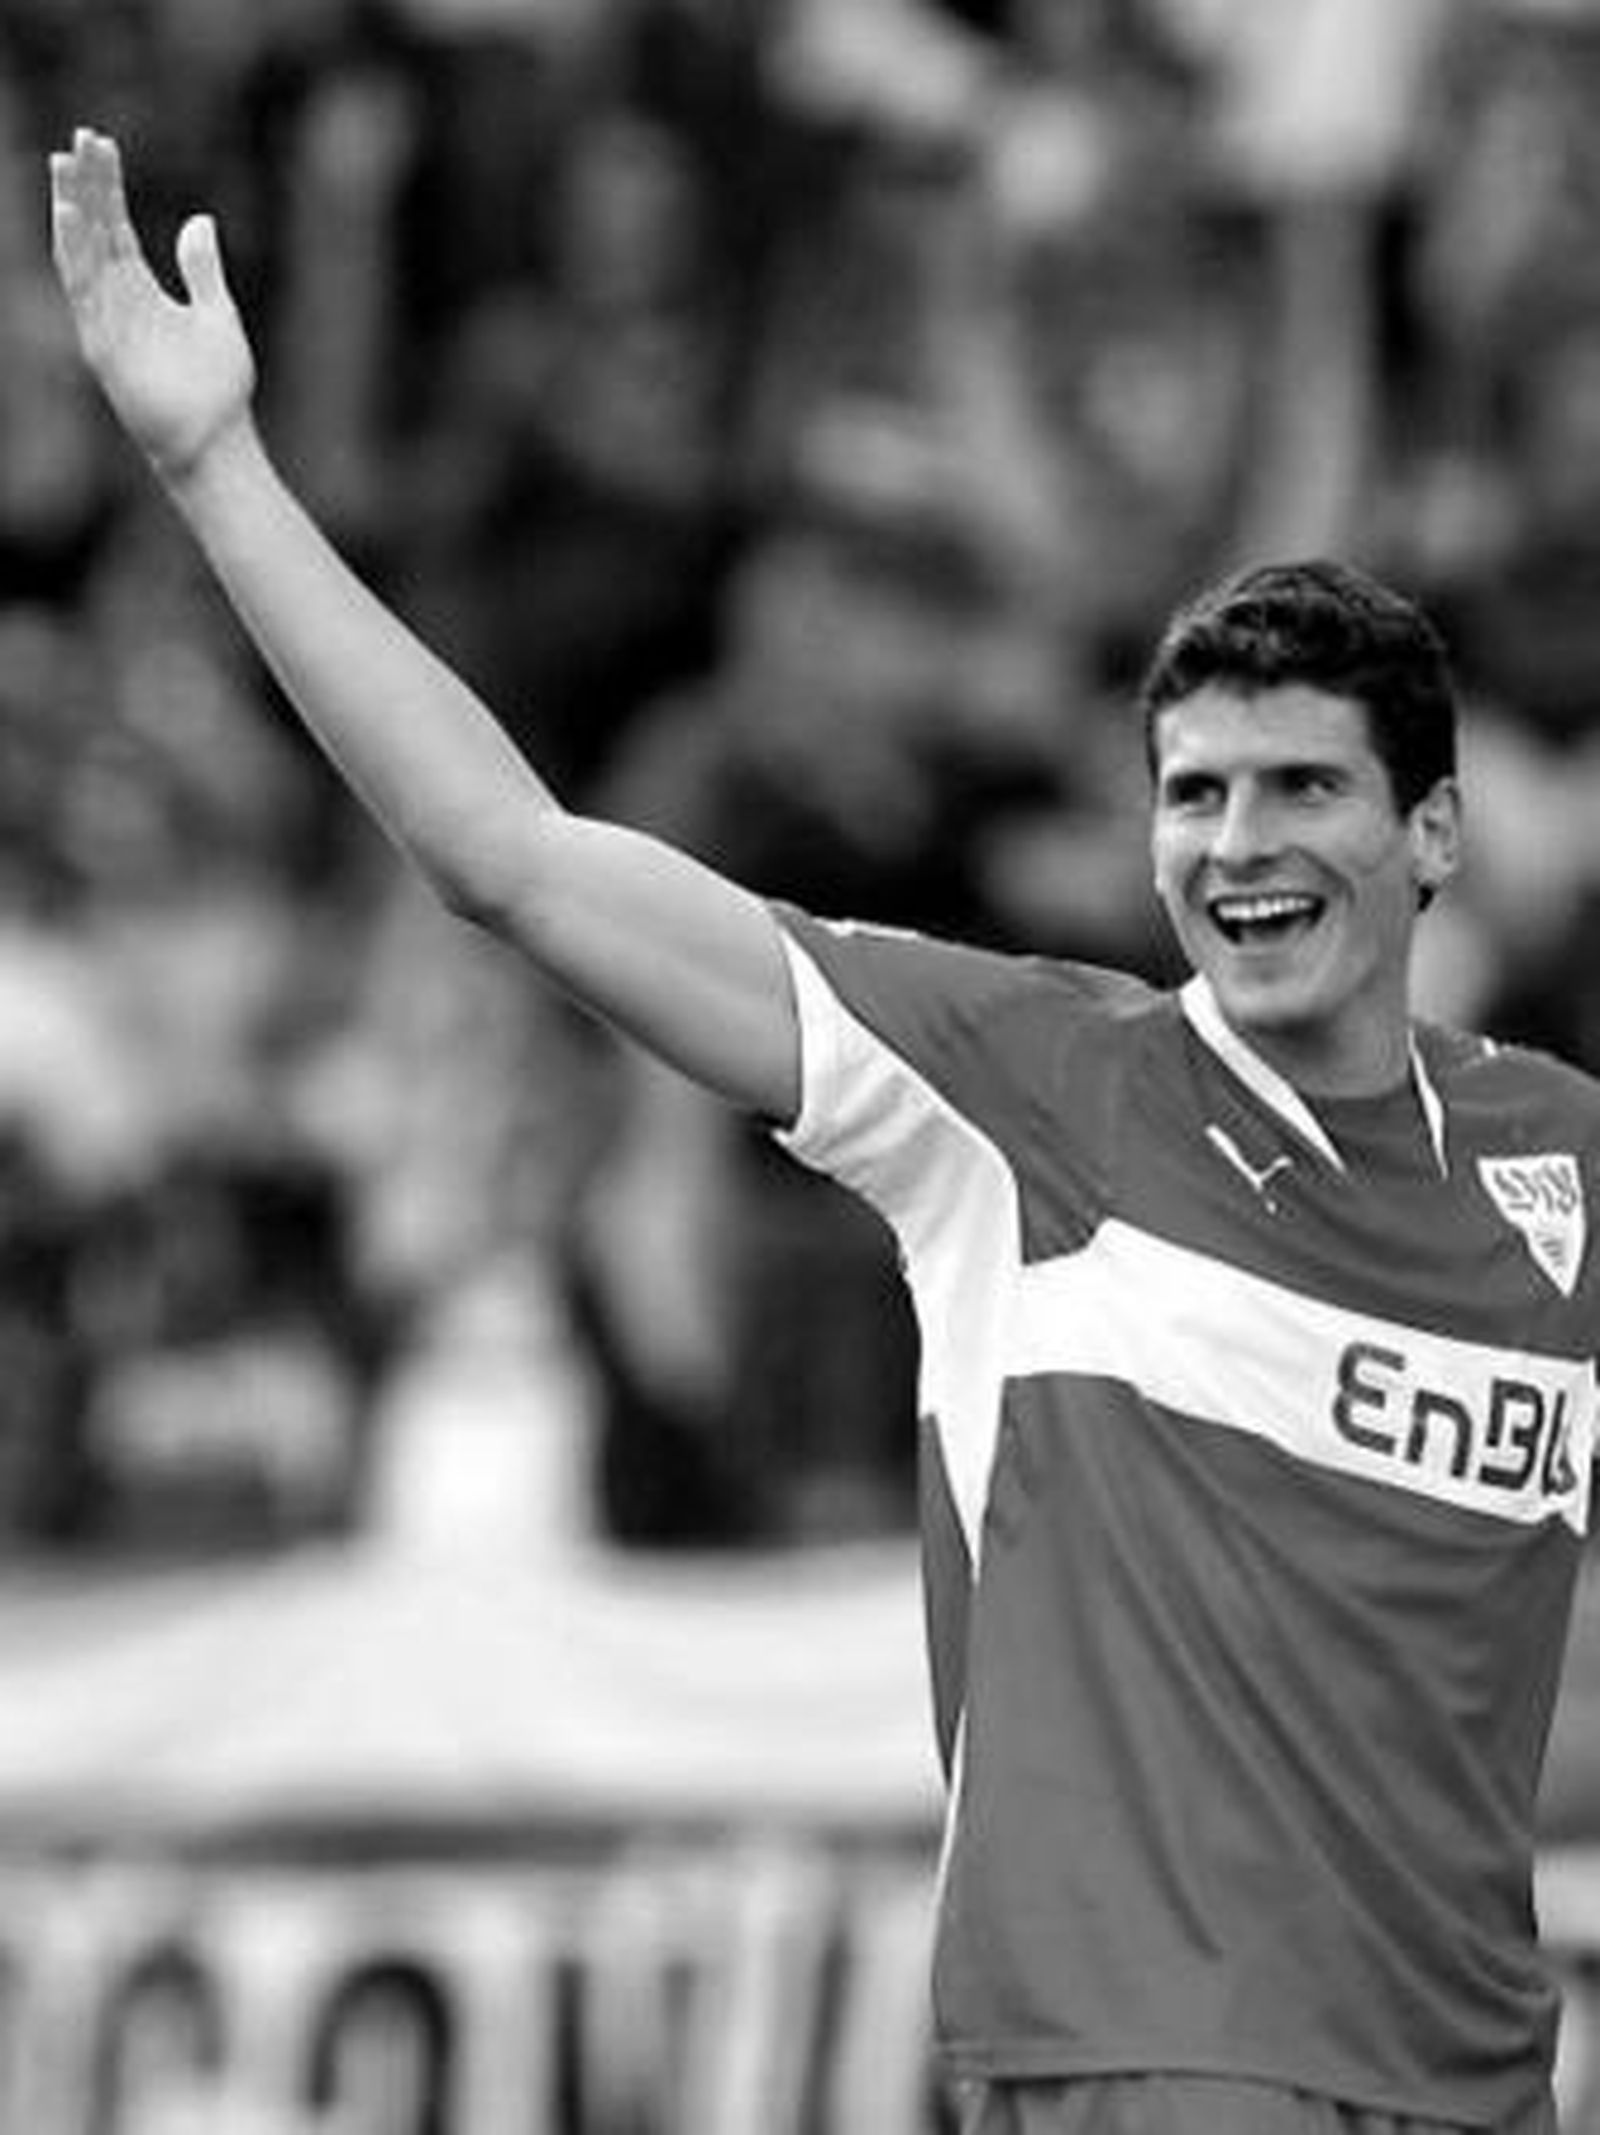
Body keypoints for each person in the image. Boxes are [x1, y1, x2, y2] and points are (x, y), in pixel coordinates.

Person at [49, 128, 1599, 2135]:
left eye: (1301, 788)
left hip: (1484, 2086)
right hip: (1161, 2080)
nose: (1236, 845)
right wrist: (214, 470)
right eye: (1191, 795)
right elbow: (511, 858)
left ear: (1433, 834)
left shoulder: (1553, 1160)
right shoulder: (1032, 1090)